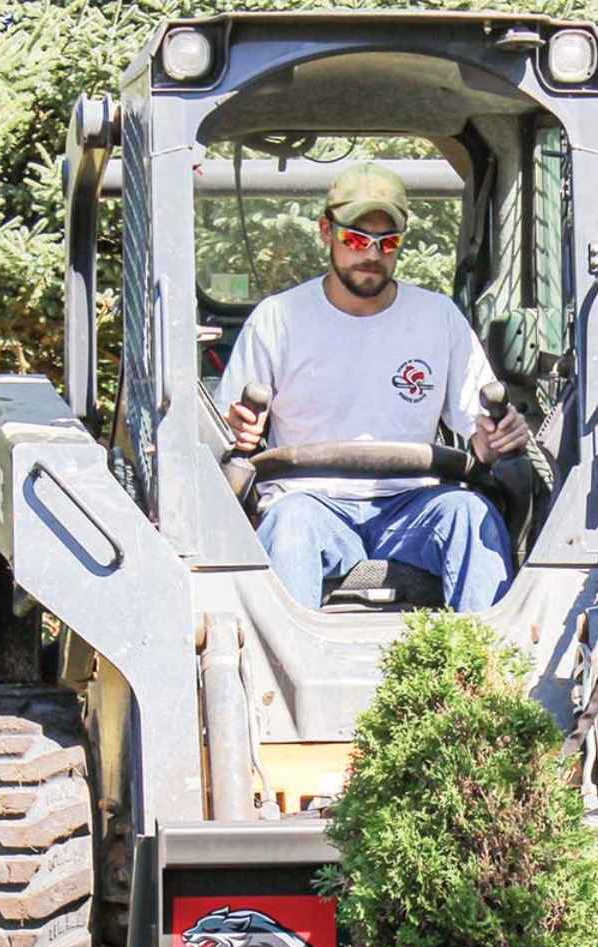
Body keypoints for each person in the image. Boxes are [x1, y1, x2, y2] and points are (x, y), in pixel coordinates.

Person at [217, 162, 530, 612]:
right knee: (289, 526)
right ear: (327, 232)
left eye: (388, 243)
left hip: (413, 507)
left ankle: (484, 673)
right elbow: (234, 431)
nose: (372, 255)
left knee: (470, 513)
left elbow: (479, 425)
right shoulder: (278, 318)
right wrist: (241, 435)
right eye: (357, 240)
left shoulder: (437, 318)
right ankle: (287, 675)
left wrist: (497, 438)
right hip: (311, 503)